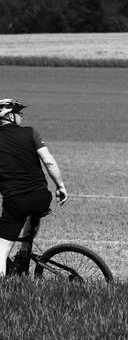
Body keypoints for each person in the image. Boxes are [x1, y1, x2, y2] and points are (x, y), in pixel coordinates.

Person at [0, 98, 68, 277]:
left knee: (1, 251)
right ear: (10, 116)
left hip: (16, 201)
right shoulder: (30, 133)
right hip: (42, 196)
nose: (21, 116)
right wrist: (60, 186)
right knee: (32, 212)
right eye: (19, 113)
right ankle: (24, 252)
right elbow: (49, 161)